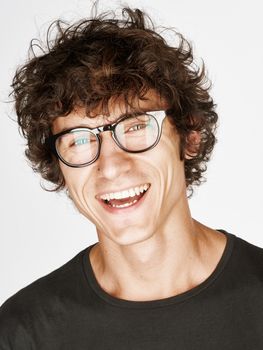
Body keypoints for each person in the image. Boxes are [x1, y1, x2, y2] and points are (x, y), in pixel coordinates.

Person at [0, 6, 262, 350]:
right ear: (59, 166)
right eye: (79, 139)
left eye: (136, 126)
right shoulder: (22, 332)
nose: (110, 167)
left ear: (190, 136)